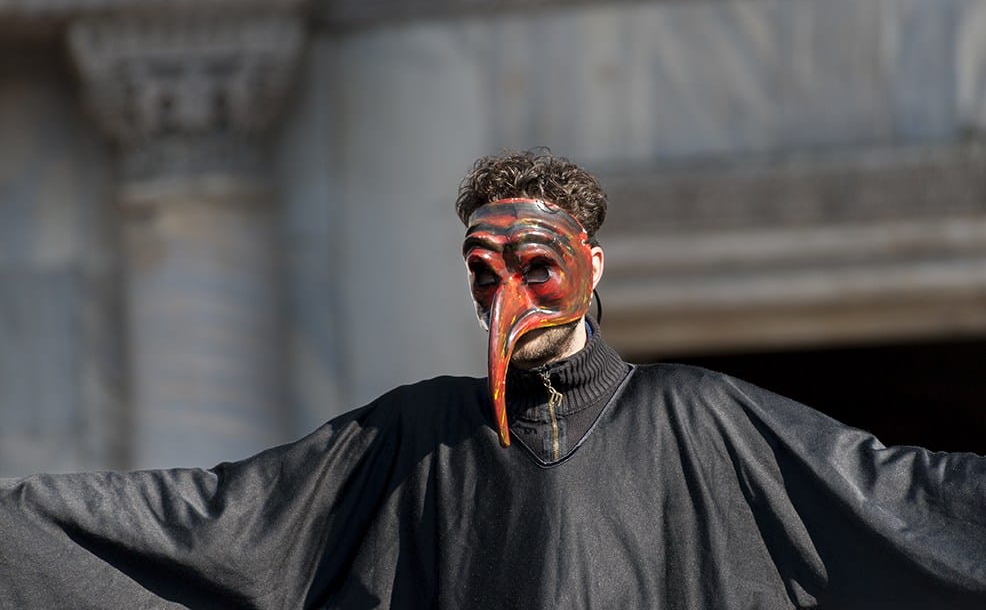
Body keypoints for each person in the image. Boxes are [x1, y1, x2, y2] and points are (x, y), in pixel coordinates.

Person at [1, 149, 985, 609]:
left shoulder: (701, 418)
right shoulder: (414, 434)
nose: (506, 295)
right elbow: (217, 523)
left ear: (592, 265)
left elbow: (903, 497)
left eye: (535, 265)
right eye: (485, 272)